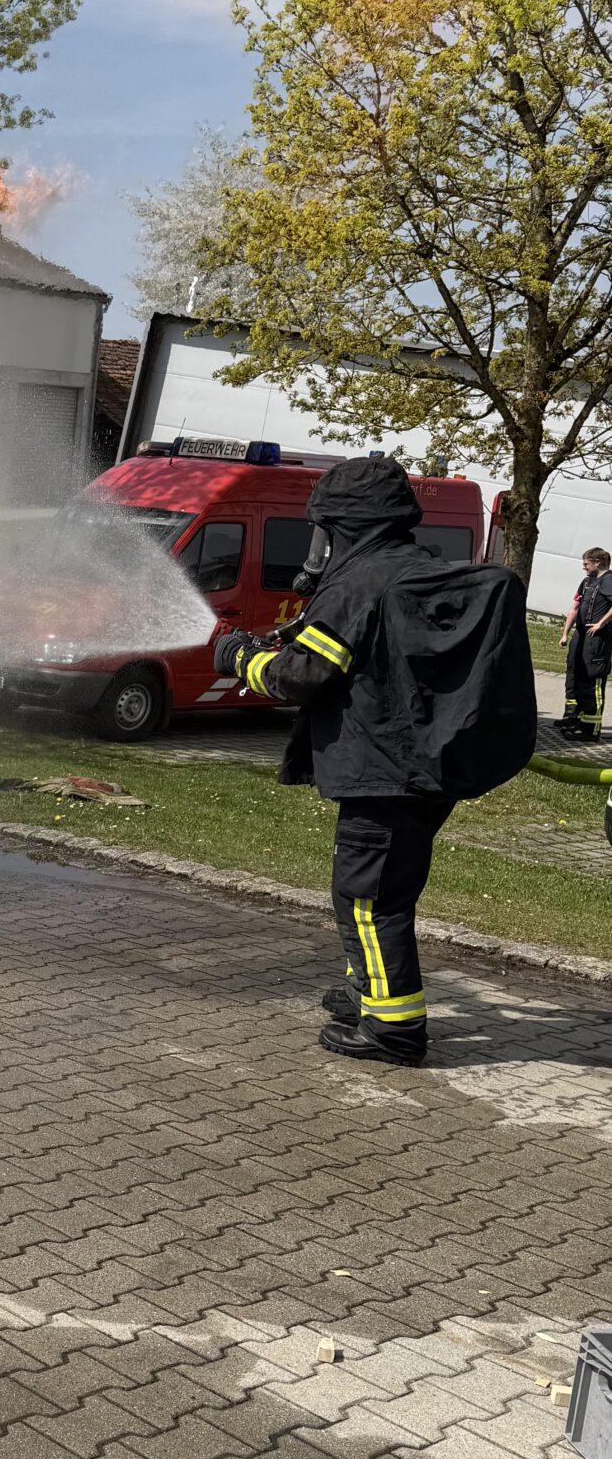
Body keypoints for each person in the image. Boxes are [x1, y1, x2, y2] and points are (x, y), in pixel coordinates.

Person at [214, 453, 536, 1067]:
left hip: (383, 775)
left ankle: (393, 1031)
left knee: (368, 899)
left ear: (346, 526)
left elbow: (301, 676)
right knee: (378, 890)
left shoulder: (358, 582)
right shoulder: (411, 568)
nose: (317, 545)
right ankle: (369, 992)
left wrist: (238, 659)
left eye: (323, 529)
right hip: (418, 770)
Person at [558, 544, 612, 739]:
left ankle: (591, 730)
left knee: (592, 680)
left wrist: (600, 624)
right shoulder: (587, 582)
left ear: (597, 562)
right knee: (575, 677)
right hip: (581, 636)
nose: (583, 567)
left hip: (597, 640)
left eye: (586, 564)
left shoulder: (609, 581)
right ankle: (573, 718)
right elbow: (575, 607)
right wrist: (565, 633)